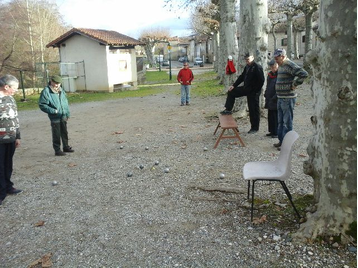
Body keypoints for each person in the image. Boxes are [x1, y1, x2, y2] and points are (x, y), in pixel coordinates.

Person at [220, 53, 265, 134]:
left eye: (248, 59)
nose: (247, 61)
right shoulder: (247, 67)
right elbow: (242, 77)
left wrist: (256, 91)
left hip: (254, 92)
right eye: (246, 60)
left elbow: (261, 80)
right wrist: (234, 86)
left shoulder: (257, 67)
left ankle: (254, 127)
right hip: (246, 88)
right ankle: (228, 109)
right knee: (231, 92)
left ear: (252, 58)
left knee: (253, 109)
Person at [273, 48, 308, 149]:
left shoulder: (289, 64)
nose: (275, 60)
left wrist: (295, 84)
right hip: (280, 97)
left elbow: (304, 74)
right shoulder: (281, 65)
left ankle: (287, 145)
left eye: (277, 58)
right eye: (275, 58)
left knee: (287, 122)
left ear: (283, 57)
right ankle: (281, 141)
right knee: (280, 122)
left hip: (287, 98)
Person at [0, 75, 23, 205]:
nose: (16, 90)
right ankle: (1, 192)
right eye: (14, 88)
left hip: (11, 138)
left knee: (8, 165)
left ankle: (8, 186)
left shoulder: (11, 99)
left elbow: (15, 118)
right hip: (0, 139)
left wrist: (17, 136)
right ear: (6, 86)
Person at [39, 75, 74, 156]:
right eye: (55, 83)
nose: (57, 85)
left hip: (63, 115)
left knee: (64, 132)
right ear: (51, 81)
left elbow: (65, 103)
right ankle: (57, 150)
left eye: (59, 83)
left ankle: (66, 146)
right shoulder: (46, 91)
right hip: (55, 116)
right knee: (56, 134)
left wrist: (67, 113)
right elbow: (42, 105)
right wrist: (54, 111)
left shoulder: (61, 90)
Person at [264, 59, 279, 138]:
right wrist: (266, 93)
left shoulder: (279, 75)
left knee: (275, 116)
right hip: (269, 97)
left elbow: (279, 88)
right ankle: (271, 131)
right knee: (270, 116)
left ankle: (276, 132)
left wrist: (274, 97)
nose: (273, 69)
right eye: (272, 67)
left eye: (274, 67)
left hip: (275, 98)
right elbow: (268, 85)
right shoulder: (270, 75)